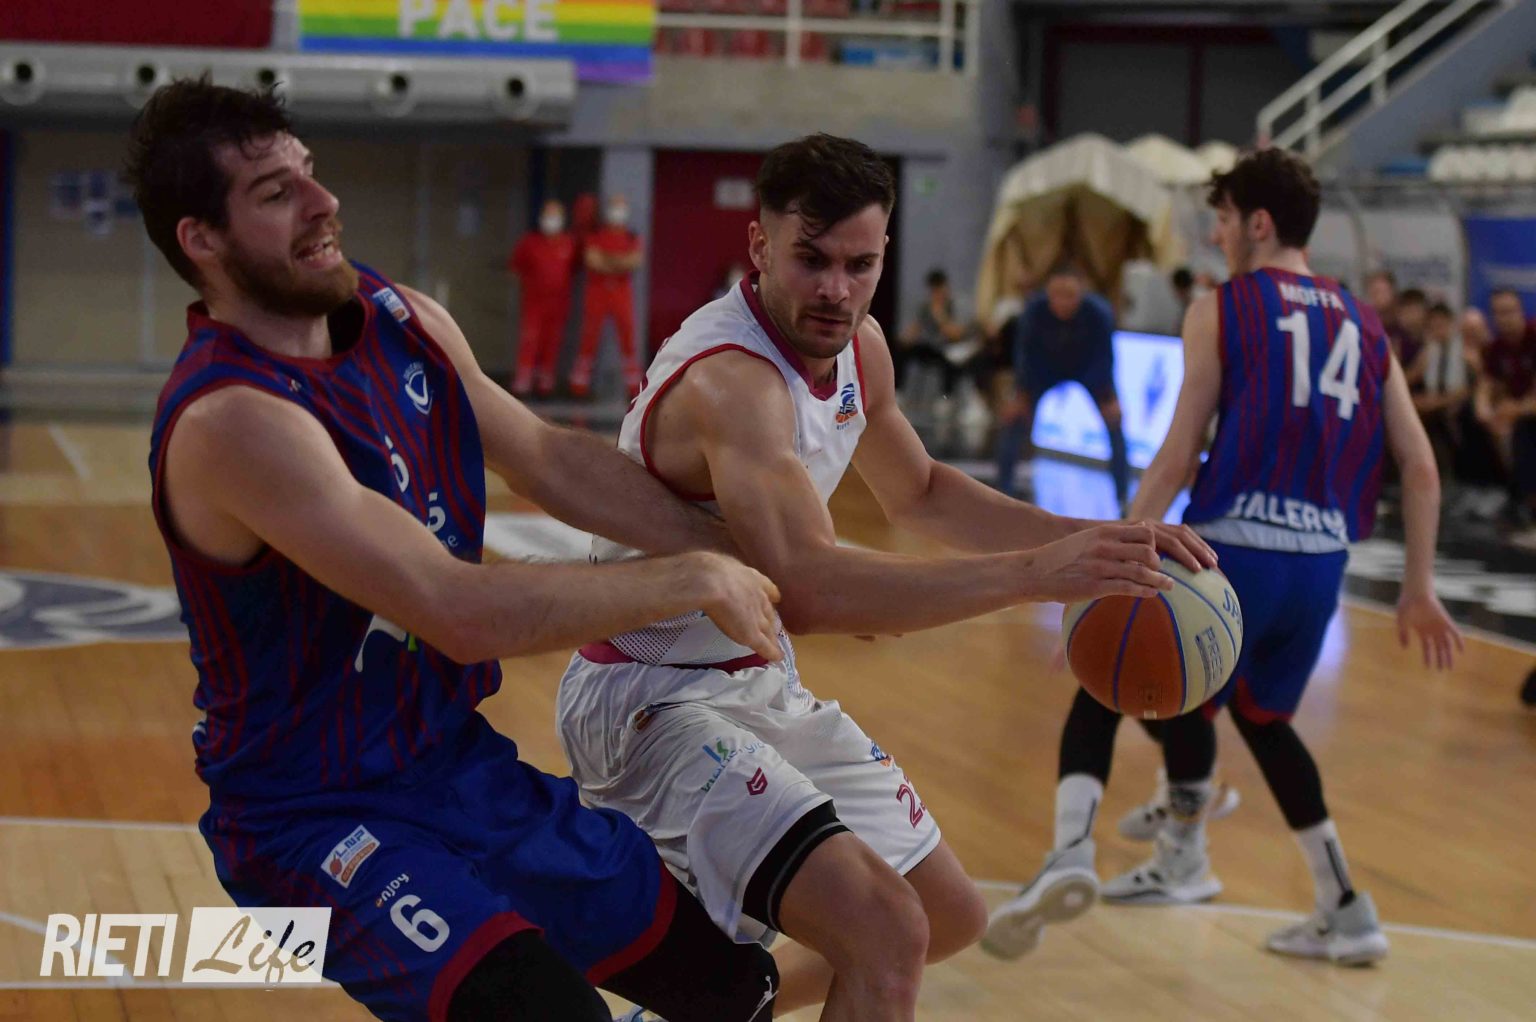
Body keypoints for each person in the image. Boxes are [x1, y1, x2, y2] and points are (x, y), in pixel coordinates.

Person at [127, 78, 790, 1022]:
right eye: (276, 194)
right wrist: (691, 576)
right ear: (202, 240)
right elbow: (456, 611)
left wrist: (740, 550)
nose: (323, 202)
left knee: (735, 989)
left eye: (310, 173)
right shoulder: (233, 420)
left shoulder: (400, 317)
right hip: (314, 815)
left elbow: (545, 457)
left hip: (454, 766)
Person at [554, 133, 1216, 1021]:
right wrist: (1033, 574)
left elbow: (924, 492)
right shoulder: (734, 384)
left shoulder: (860, 350)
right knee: (884, 927)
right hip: (651, 696)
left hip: (752, 677)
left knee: (946, 915)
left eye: (859, 265)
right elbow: (809, 589)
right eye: (812, 260)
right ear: (760, 246)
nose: (837, 288)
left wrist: (1101, 539)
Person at [986, 147, 1462, 967]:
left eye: (1225, 219)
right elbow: (1419, 466)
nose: (1217, 234)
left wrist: (1112, 557)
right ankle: (1340, 904)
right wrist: (1418, 586)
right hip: (1320, 564)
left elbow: (1178, 453)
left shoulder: (1223, 307)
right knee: (1261, 719)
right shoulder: (1367, 320)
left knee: (1113, 672)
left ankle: (1076, 851)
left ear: (1259, 224)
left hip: (1232, 546)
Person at [993, 264, 1130, 509]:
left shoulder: (1099, 313)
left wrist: (1108, 397)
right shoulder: (1034, 311)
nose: (1062, 302)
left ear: (1081, 292)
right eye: (1056, 295)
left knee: (1115, 422)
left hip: (1088, 370)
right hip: (1044, 371)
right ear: (1047, 292)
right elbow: (1024, 355)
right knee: (1014, 421)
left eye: (1069, 295)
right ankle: (1001, 495)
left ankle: (1123, 499)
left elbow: (1105, 358)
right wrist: (1021, 394)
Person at [570, 193, 645, 399]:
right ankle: (578, 387)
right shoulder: (596, 234)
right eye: (614, 207)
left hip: (622, 295)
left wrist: (608, 260)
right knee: (589, 339)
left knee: (628, 340)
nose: (617, 212)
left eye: (621, 207)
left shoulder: (632, 236)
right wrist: (620, 262)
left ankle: (634, 388)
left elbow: (635, 262)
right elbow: (593, 261)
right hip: (597, 294)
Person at [1477, 288, 1536, 540]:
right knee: (1474, 420)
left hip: (1526, 412)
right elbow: (1486, 383)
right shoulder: (1497, 347)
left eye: (1509, 311)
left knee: (1522, 430)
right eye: (1499, 313)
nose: (1505, 318)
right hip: (1517, 411)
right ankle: (1509, 496)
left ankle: (1527, 502)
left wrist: (1513, 410)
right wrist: (1484, 411)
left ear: (1521, 311)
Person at [507, 197, 577, 398]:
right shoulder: (530, 243)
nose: (551, 219)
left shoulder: (569, 243)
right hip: (534, 303)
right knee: (530, 341)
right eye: (548, 215)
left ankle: (545, 385)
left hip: (559, 303)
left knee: (552, 343)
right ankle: (523, 384)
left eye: (555, 215)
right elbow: (515, 269)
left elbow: (573, 269)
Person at [1410, 301, 1475, 475]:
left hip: (1459, 402)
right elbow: (1412, 376)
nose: (1438, 331)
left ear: (1451, 323)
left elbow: (1469, 389)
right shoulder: (1429, 349)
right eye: (1433, 327)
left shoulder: (1466, 349)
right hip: (1436, 400)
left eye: (1441, 325)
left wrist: (1438, 401)